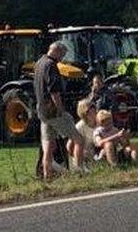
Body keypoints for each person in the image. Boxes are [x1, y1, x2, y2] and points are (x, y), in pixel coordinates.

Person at [33, 41, 85, 179]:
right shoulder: (51, 65)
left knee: (48, 147)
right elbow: (54, 91)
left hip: (42, 112)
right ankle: (78, 171)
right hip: (53, 111)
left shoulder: (39, 63)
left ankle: (47, 176)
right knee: (79, 139)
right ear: (57, 51)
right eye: (62, 54)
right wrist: (61, 110)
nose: (62, 58)